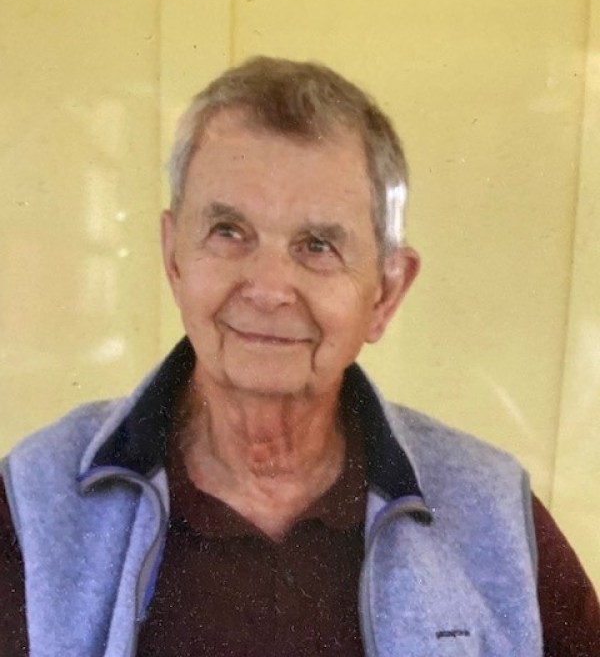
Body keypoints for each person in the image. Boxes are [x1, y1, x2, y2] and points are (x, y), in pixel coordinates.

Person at [1, 57, 598, 657]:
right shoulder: (33, 506)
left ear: (386, 294)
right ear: (173, 257)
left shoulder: (498, 518)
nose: (267, 288)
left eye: (317, 245)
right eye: (228, 231)